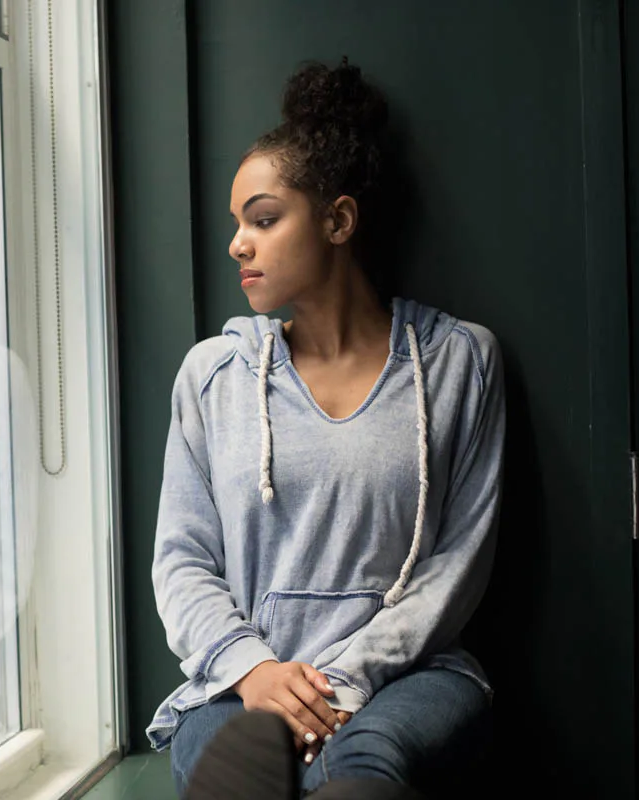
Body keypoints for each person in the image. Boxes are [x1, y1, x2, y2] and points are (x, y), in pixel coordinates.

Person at [147, 59, 505, 799]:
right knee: (235, 767)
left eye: (264, 218)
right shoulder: (214, 376)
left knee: (365, 767)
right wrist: (256, 671)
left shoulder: (458, 362)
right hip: (244, 681)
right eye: (236, 224)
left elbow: (459, 562)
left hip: (411, 675)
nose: (237, 244)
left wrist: (342, 683)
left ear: (338, 220)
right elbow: (182, 561)